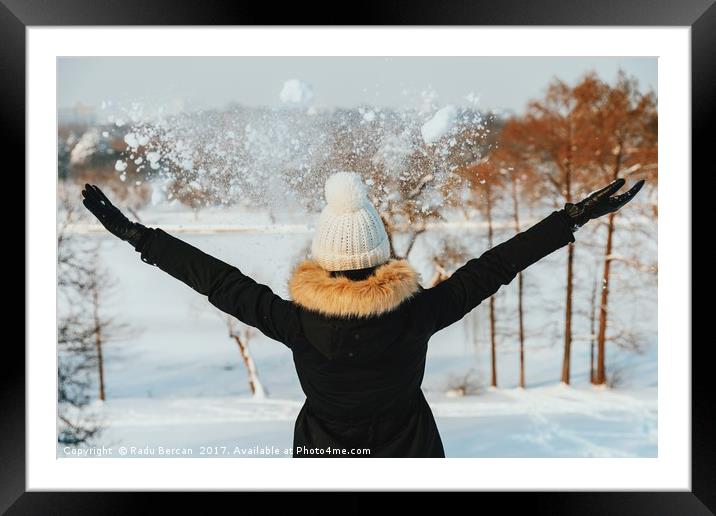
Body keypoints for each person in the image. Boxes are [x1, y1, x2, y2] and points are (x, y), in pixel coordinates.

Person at [81, 172, 644, 458]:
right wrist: (570, 218)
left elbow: (217, 280)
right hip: (411, 453)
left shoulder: (295, 320)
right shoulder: (415, 314)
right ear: (381, 256)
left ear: (323, 261)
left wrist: (139, 236)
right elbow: (496, 265)